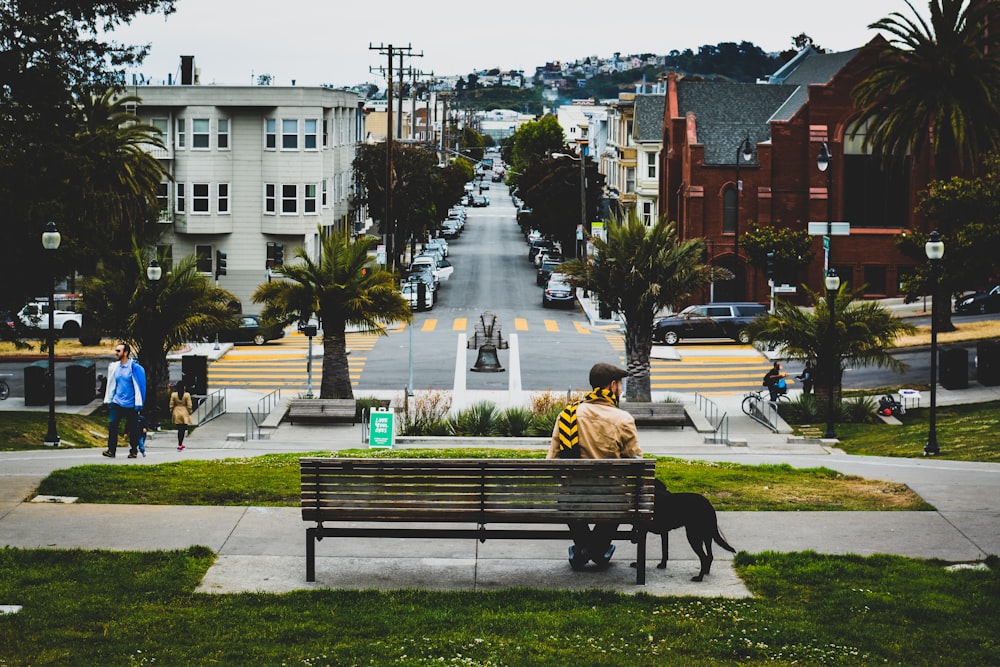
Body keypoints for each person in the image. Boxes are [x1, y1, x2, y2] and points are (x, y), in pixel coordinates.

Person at [547, 362, 643, 571]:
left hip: (573, 500)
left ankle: (583, 548)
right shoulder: (622, 419)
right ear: (611, 386)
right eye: (620, 384)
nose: (621, 389)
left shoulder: (567, 416)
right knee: (618, 496)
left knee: (569, 495)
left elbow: (552, 461)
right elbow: (637, 464)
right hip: (611, 502)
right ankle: (597, 550)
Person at [102, 342, 146, 459]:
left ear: (125, 353)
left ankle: (133, 451)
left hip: (131, 404)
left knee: (133, 428)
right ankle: (111, 450)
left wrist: (139, 403)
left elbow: (141, 386)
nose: (116, 353)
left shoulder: (134, 368)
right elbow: (112, 384)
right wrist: (110, 399)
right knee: (112, 425)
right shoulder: (115, 367)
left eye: (118, 351)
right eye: (116, 350)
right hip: (117, 402)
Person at [169, 381, 194, 451]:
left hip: (176, 412)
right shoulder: (187, 395)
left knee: (179, 429)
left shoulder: (174, 395)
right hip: (184, 412)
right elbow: (189, 405)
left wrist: (172, 411)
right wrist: (190, 412)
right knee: (183, 430)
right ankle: (180, 444)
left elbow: (171, 405)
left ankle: (180, 444)